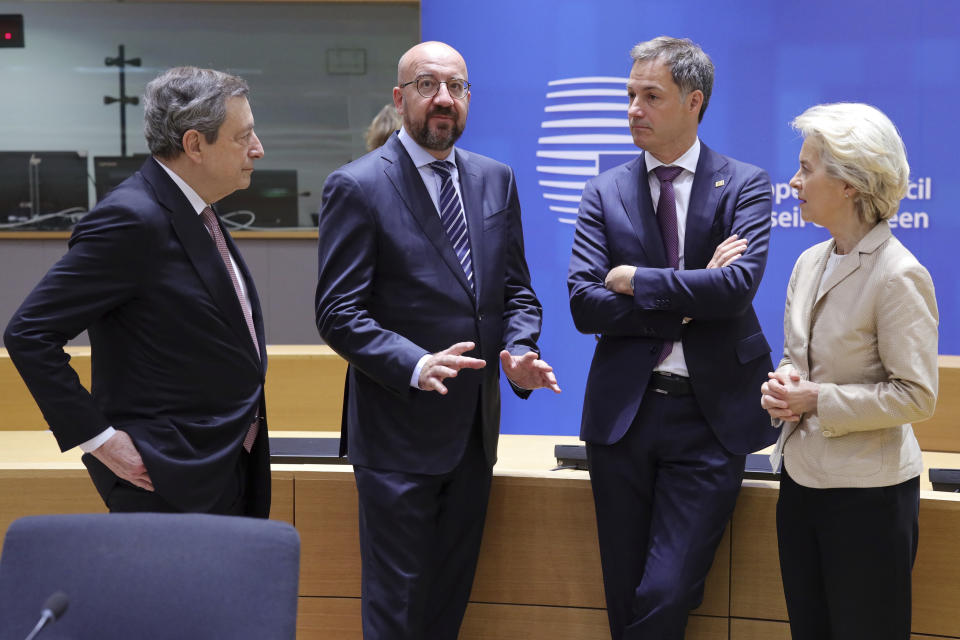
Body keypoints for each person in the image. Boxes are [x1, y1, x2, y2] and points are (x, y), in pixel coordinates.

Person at [315, 40, 560, 640]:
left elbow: (517, 293)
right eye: (428, 86)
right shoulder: (357, 185)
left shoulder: (495, 180)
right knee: (397, 613)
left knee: (448, 608)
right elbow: (337, 312)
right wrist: (415, 362)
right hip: (397, 437)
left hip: (473, 436)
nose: (443, 99)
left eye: (456, 87)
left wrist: (521, 350)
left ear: (469, 98)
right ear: (401, 99)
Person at [567, 36, 777, 639]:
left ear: (693, 101)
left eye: (650, 96)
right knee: (624, 588)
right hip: (623, 418)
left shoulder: (744, 184)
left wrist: (636, 281)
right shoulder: (603, 191)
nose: (634, 108)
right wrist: (689, 296)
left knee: (667, 589)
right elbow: (585, 304)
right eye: (630, 94)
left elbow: (735, 289)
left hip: (711, 419)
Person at [3, 66, 271, 516]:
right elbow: (29, 333)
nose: (258, 149)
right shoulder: (132, 218)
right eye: (242, 136)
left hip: (222, 461)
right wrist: (101, 441)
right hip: (164, 473)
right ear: (194, 145)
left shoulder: (195, 207)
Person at [761, 102, 938, 640]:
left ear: (851, 184)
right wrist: (785, 384)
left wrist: (817, 399)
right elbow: (801, 358)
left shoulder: (899, 273)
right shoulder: (808, 262)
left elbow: (916, 396)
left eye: (808, 168)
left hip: (869, 497)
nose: (794, 181)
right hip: (800, 482)